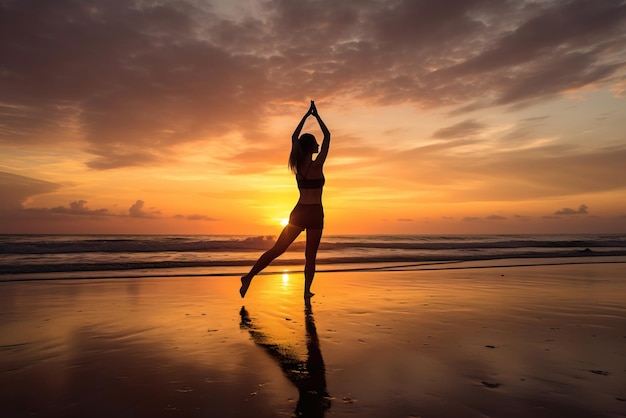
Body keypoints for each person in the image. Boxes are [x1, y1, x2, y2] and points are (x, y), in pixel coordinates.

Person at [240, 101, 330, 299]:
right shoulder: (317, 166)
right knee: (305, 255)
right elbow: (328, 136)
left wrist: (307, 116)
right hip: (314, 212)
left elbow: (293, 138)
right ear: (310, 147)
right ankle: (304, 291)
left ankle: (251, 277)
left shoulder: (298, 166)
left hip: (301, 211)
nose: (318, 144)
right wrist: (316, 116)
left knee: (280, 250)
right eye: (315, 142)